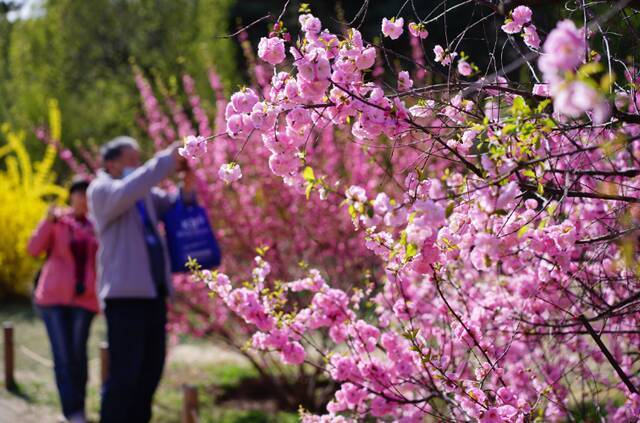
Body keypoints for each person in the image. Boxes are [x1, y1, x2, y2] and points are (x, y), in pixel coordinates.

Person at [87, 136, 194, 423]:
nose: (138, 165)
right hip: (124, 298)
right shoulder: (101, 191)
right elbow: (131, 188)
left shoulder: (143, 195)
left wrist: (186, 182)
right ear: (111, 164)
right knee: (124, 375)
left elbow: (175, 205)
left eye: (139, 159)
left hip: (153, 295)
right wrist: (165, 160)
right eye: (131, 160)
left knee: (150, 372)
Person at [27, 177, 99, 423]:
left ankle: (77, 406)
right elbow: (33, 249)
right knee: (63, 355)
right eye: (79, 194)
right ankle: (72, 412)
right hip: (53, 299)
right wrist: (46, 223)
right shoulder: (57, 221)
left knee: (78, 355)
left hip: (85, 300)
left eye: (88, 195)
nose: (83, 200)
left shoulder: (96, 226)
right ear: (71, 197)